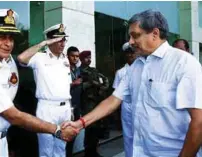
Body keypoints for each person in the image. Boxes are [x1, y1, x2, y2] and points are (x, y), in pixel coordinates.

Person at [63, 10, 202, 157]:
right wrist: (81, 123)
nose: (130, 42)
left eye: (135, 35)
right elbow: (113, 100)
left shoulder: (183, 63)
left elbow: (199, 121)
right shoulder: (136, 66)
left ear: (155, 33)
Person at [0, 9, 76, 157]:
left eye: (10, 38)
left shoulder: (1, 65)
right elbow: (13, 116)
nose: (8, 43)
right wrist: (56, 130)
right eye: (1, 37)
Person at [17, 23, 73, 157]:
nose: (62, 43)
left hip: (64, 108)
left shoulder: (64, 59)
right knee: (46, 150)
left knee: (61, 148)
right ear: (50, 41)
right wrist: (43, 43)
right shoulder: (39, 58)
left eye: (64, 39)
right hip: (47, 109)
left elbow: (66, 86)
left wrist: (70, 110)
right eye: (58, 40)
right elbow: (21, 58)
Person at [79, 50, 109, 157]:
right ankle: (88, 153)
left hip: (97, 102)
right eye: (87, 57)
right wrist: (91, 83)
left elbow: (104, 79)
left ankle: (94, 152)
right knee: (89, 128)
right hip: (87, 103)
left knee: (96, 128)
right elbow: (79, 87)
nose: (89, 59)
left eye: (90, 57)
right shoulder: (79, 71)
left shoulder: (94, 70)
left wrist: (103, 87)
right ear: (81, 59)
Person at [112, 42, 137, 157]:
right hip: (126, 105)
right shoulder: (121, 72)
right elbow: (116, 93)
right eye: (128, 53)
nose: (130, 56)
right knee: (128, 135)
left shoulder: (143, 68)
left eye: (132, 53)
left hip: (139, 105)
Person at [66, 46, 82, 157]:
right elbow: (57, 87)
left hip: (76, 106)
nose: (75, 58)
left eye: (77, 56)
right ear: (67, 56)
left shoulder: (77, 69)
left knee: (73, 133)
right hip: (66, 106)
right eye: (73, 56)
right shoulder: (63, 69)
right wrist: (73, 83)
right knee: (65, 133)